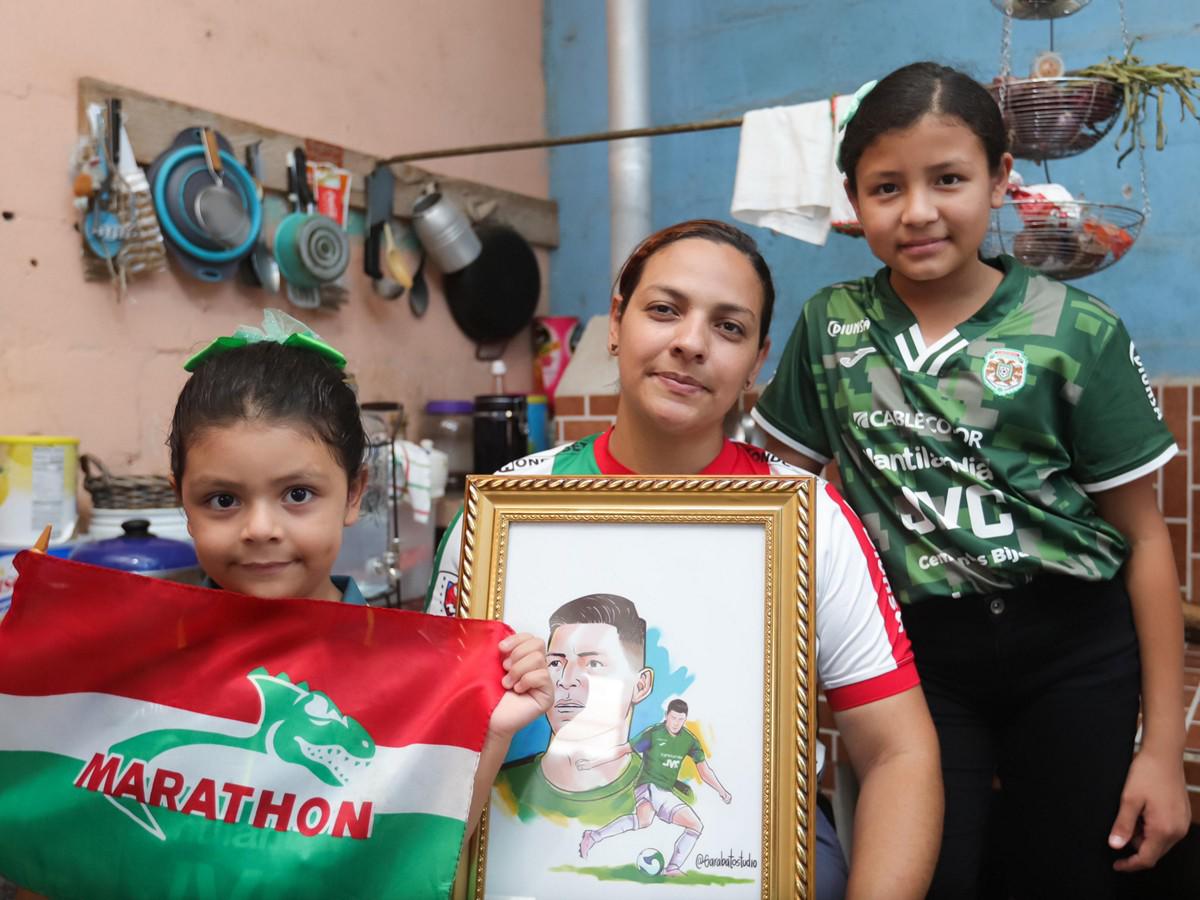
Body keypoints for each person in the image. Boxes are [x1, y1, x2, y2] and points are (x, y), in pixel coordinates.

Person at [751, 62, 1190, 899]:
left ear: (1000, 181)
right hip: (916, 660)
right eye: (886, 187)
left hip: (1075, 654)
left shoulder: (1076, 329)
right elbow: (776, 510)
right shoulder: (831, 326)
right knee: (923, 876)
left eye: (948, 179)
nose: (917, 211)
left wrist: (1162, 750)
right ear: (853, 200)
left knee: (1063, 878)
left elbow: (1142, 539)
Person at [428, 220, 942, 900]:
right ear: (615, 324)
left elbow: (899, 753)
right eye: (664, 310)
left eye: (729, 329)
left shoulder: (808, 517)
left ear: (758, 360)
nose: (690, 343)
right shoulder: (505, 512)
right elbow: (431, 748)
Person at [167, 311, 552, 847]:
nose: (260, 529)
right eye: (223, 500)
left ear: (353, 493)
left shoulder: (414, 670)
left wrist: (491, 730)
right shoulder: (152, 654)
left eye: (297, 494)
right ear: (180, 499)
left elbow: (412, 859)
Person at [493, 593, 654, 824]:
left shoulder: (662, 798)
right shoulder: (497, 792)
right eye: (556, 663)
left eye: (594, 664)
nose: (566, 680)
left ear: (640, 685)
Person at [578, 698, 732, 876]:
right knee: (695, 824)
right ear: (666, 715)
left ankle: (593, 836)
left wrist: (722, 791)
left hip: (663, 791)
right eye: (673, 718)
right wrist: (593, 763)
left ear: (685, 719)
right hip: (648, 785)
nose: (676, 723)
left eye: (681, 719)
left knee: (644, 821)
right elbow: (624, 749)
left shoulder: (689, 741)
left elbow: (704, 771)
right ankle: (673, 868)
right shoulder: (654, 734)